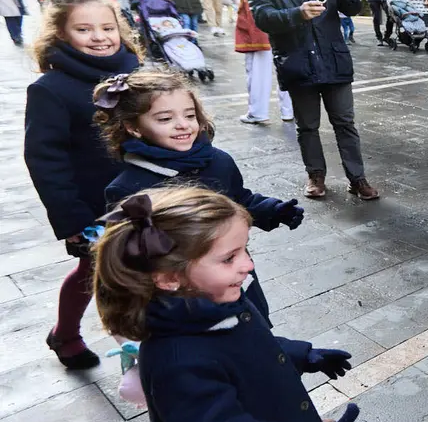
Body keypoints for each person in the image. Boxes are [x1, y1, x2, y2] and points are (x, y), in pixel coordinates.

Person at [91, 186, 390, 422]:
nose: (246, 265)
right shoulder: (175, 358)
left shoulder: (217, 299)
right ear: (168, 278)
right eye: (230, 257)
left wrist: (302, 355)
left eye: (246, 251)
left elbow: (250, 346)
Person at [96, 68, 304, 319]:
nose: (182, 125)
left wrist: (271, 210)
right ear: (134, 127)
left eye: (190, 115)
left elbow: (239, 200)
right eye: (165, 119)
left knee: (254, 328)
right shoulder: (129, 189)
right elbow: (132, 260)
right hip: (184, 297)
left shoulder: (219, 161)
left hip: (236, 275)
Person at [23, 0, 142, 369]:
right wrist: (70, 217)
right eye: (85, 29)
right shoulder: (50, 90)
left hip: (146, 195)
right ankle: (69, 335)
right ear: (61, 35)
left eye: (107, 28)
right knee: (95, 272)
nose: (99, 37)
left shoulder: (139, 74)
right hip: (93, 207)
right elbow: (45, 159)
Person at [247, 0, 379, 200]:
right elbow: (262, 17)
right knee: (307, 126)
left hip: (333, 59)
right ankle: (316, 176)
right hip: (297, 61)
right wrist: (297, 14)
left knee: (345, 122)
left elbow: (354, 7)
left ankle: (358, 179)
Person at [216, 0, 294, 126]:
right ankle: (289, 110)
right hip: (282, 19)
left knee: (258, 70)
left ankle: (258, 111)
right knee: (285, 67)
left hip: (256, 22)